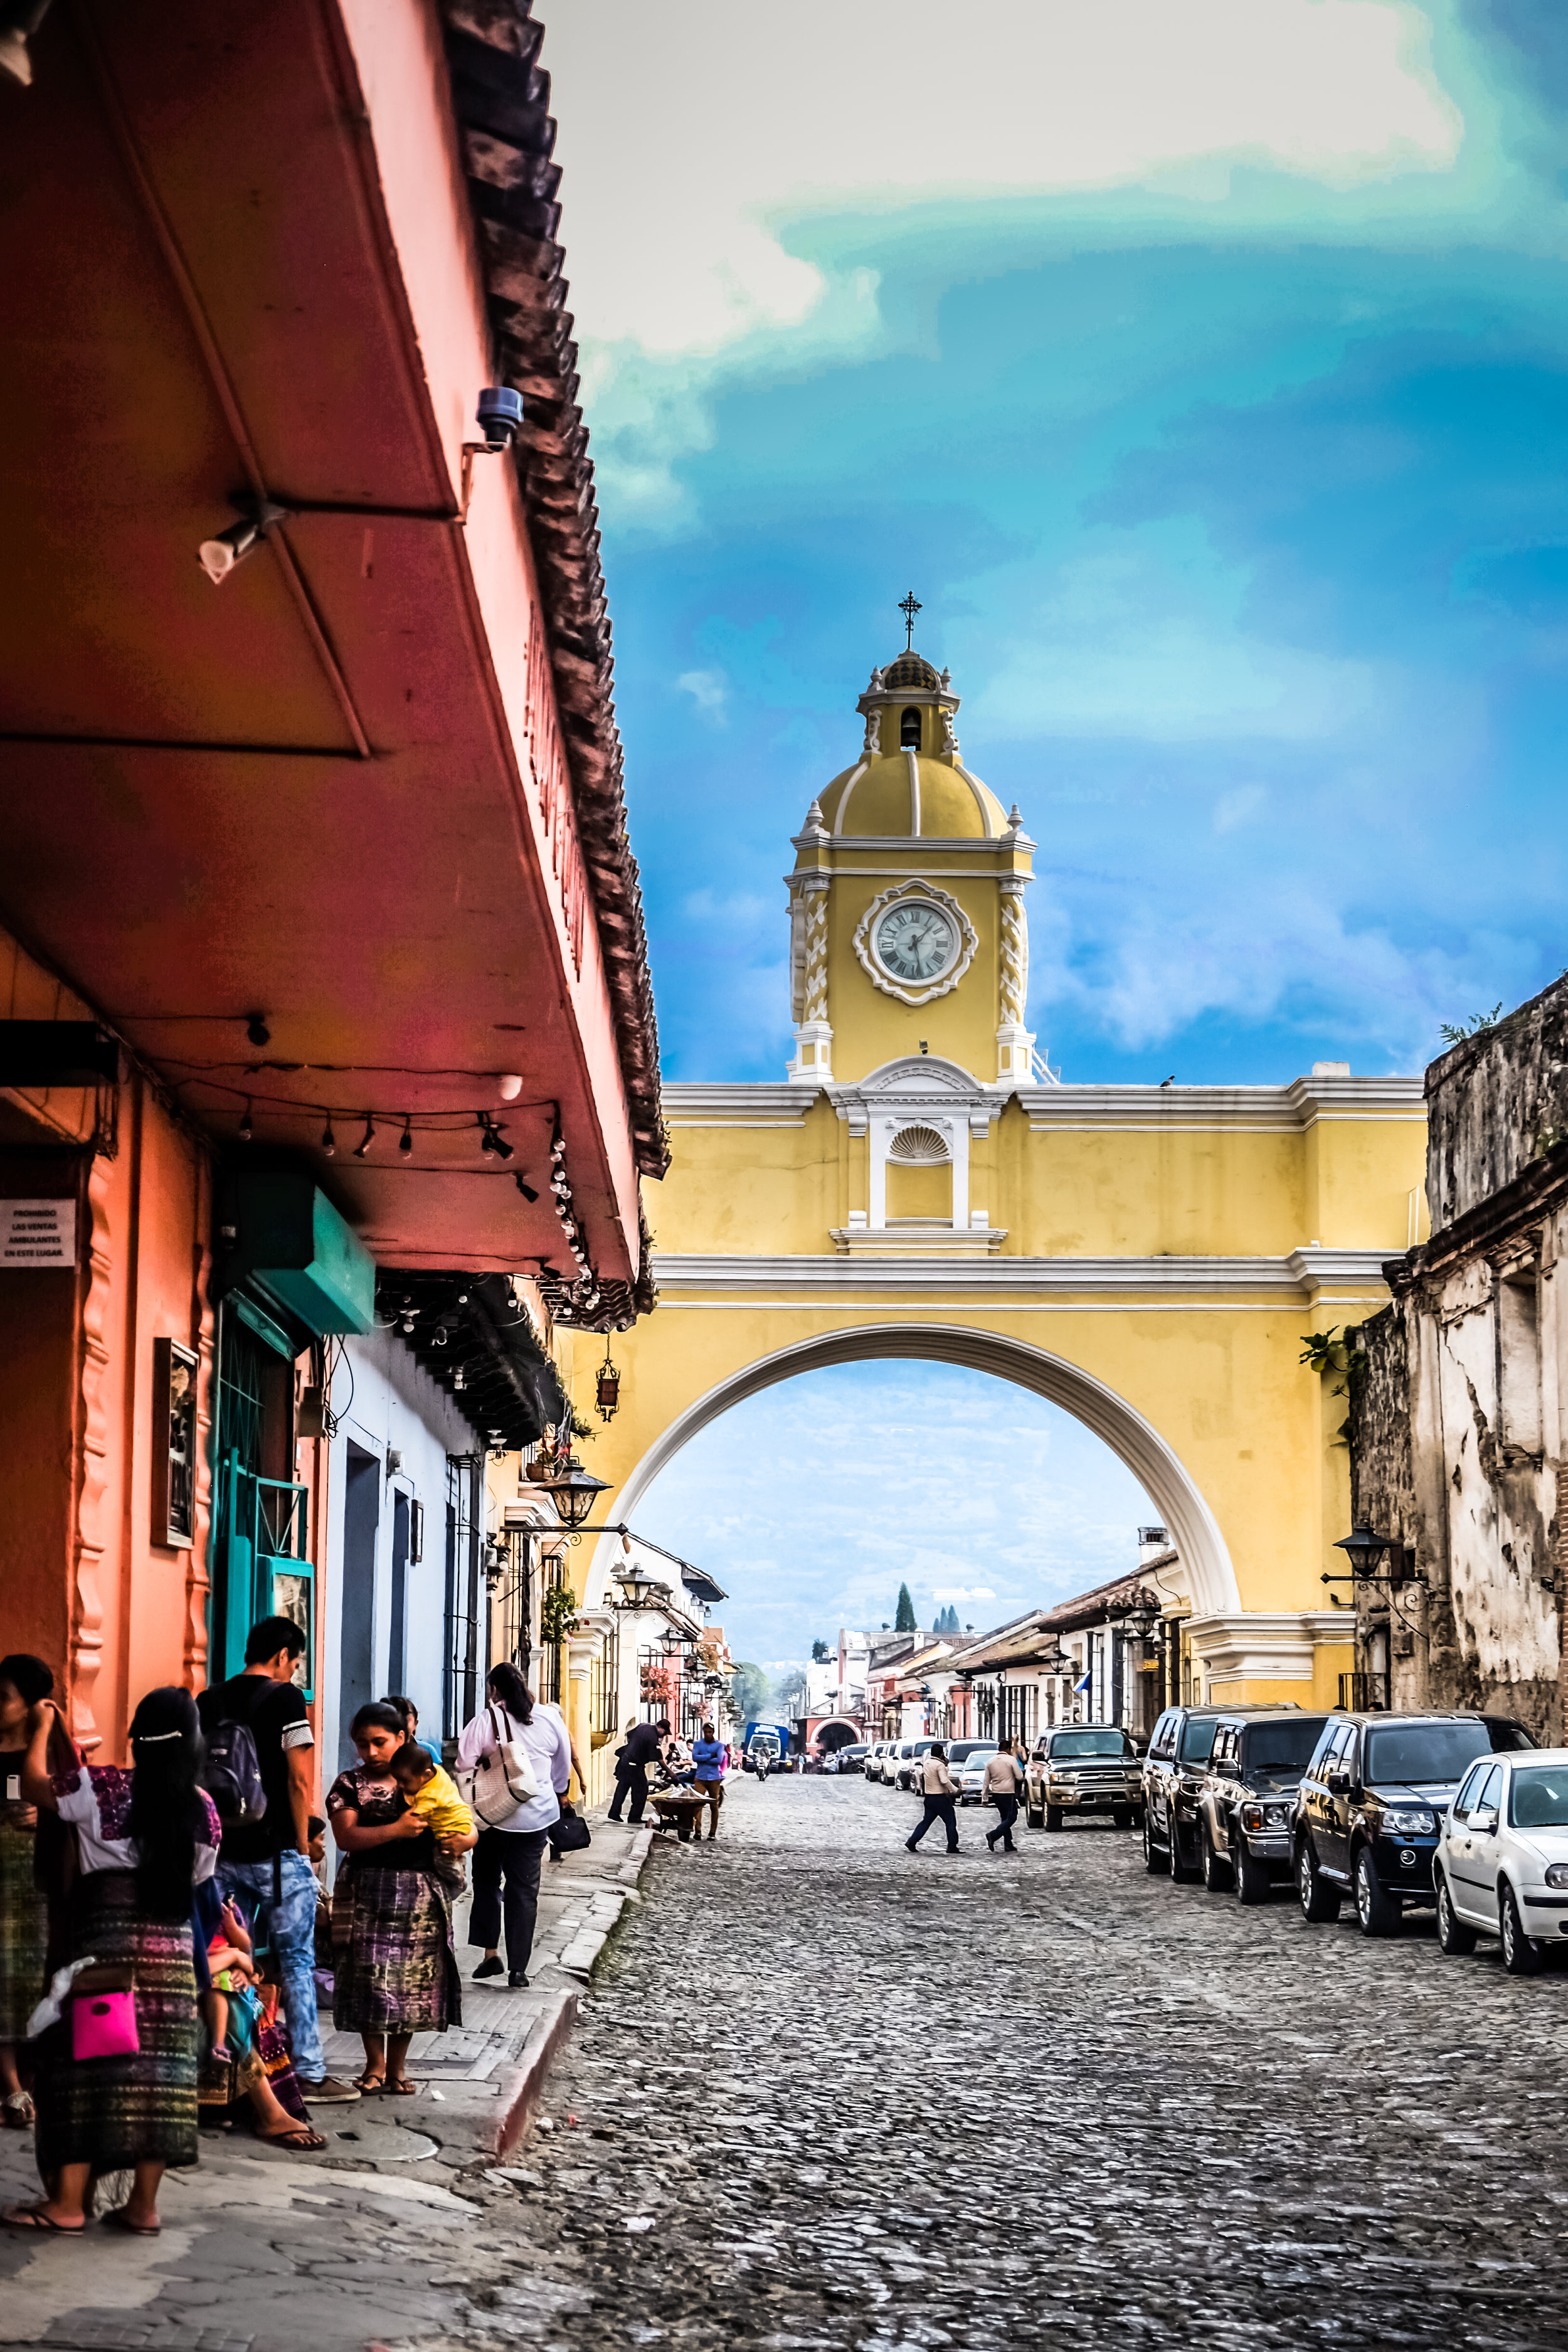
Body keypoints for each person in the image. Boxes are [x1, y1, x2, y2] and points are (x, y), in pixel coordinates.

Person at [4, 1687, 219, 2235]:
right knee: (160, 2082)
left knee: (85, 2066)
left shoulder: (102, 1787)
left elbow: (32, 1784)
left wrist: (44, 1729)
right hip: (171, 1959)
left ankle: (68, 2204)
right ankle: (143, 2208)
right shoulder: (205, 1810)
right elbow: (197, 1882)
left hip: (106, 1950)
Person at [197, 1615, 359, 2106]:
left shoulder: (209, 1700)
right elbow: (298, 1780)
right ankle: (308, 2071)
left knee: (226, 1961)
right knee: (296, 1961)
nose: (294, 1669)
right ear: (285, 1656)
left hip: (221, 1855)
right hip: (275, 1855)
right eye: (296, 1661)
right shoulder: (287, 1699)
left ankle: (233, 2069)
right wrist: (301, 1841)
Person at [327, 1700, 475, 2095]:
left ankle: (397, 2070)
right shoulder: (349, 1785)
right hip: (367, 1893)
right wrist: (397, 1829)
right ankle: (374, 2066)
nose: (371, 1752)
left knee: (411, 1986)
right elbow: (346, 1838)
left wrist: (462, 1841)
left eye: (380, 1742)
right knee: (369, 1980)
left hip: (419, 1896)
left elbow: (467, 1826)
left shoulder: (430, 1778)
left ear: (402, 1738)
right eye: (362, 1744)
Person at [456, 1664, 571, 1989]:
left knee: (488, 1882)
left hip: (493, 1817)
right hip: (537, 1817)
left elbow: (464, 1762)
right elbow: (561, 1765)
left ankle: (490, 1953)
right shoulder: (550, 1718)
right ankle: (518, 1969)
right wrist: (558, 1789)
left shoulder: (487, 1720)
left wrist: (486, 1763)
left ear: (494, 1690)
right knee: (524, 1891)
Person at [0, 1654, 54, 2131]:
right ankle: (12, 2085)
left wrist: (41, 1730)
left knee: (33, 1982)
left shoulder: (51, 1755)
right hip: (2, 1888)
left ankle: (30, 2083)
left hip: (37, 1890)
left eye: (4, 1698)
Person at [389, 1742, 474, 1892]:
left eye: (405, 1781)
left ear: (426, 1775)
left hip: (451, 1828)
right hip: (461, 1818)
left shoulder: (428, 1796)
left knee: (443, 1861)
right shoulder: (438, 1773)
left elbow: (416, 1817)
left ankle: (458, 1883)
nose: (400, 1786)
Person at [608, 1717, 667, 1826]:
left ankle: (614, 1812)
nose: (663, 1736)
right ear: (660, 1728)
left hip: (625, 1762)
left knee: (622, 1788)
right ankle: (634, 1817)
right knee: (642, 1791)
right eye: (664, 1733)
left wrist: (634, 1746)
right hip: (635, 1766)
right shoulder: (652, 1737)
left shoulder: (643, 1726)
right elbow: (658, 1758)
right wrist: (670, 1773)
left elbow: (630, 1734)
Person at [906, 1742, 961, 1855]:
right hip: (940, 1798)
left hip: (929, 1798)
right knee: (950, 1822)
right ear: (942, 1754)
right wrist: (955, 1790)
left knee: (926, 1822)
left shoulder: (927, 1763)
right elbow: (944, 1780)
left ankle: (912, 1841)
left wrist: (945, 1762)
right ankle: (952, 1846)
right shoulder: (939, 1765)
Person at [983, 1741, 1025, 1852]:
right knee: (1012, 1817)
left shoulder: (991, 1762)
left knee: (1004, 1818)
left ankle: (1008, 1844)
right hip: (1008, 1792)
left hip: (996, 1794)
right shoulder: (1011, 1760)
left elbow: (986, 1781)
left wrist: (985, 1797)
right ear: (1007, 1749)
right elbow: (1020, 1777)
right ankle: (993, 1835)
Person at [691, 1720, 728, 1841]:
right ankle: (698, 1831)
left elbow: (719, 1760)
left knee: (714, 1805)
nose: (707, 1734)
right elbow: (695, 1757)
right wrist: (710, 1756)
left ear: (713, 1732)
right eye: (706, 1732)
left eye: (710, 1732)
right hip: (700, 1777)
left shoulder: (720, 1746)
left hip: (714, 1778)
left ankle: (712, 1832)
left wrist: (704, 1758)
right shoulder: (698, 1744)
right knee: (697, 1804)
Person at [381, 1694, 440, 1765]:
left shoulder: (427, 1750)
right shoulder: (378, 1751)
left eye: (405, 1721)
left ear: (415, 1724)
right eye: (392, 1722)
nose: (400, 1726)